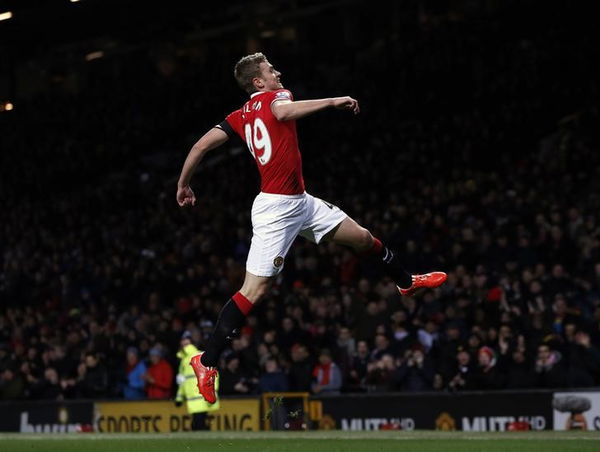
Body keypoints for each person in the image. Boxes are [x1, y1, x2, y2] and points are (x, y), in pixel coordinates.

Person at [176, 52, 447, 403]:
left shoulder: (238, 117)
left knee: (363, 239)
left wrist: (184, 184)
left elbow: (199, 145)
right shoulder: (278, 96)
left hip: (301, 202)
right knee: (253, 292)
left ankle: (406, 282)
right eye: (271, 70)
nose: (278, 73)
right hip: (276, 210)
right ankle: (206, 361)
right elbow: (283, 112)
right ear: (258, 82)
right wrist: (334, 100)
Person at [175, 331, 219, 431]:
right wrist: (179, 398)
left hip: (200, 396)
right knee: (198, 426)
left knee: (198, 426)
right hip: (197, 397)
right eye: (183, 340)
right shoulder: (185, 359)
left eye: (186, 340)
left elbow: (211, 374)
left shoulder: (194, 356)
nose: (184, 342)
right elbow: (183, 381)